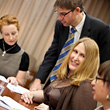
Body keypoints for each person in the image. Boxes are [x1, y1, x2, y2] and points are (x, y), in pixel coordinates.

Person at [30, 0, 110, 91]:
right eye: (58, 13)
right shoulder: (60, 25)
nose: (59, 18)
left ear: (77, 10)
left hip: (79, 88)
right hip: (55, 82)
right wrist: (38, 80)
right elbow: (52, 53)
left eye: (63, 14)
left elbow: (104, 64)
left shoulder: (101, 29)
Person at [21, 37, 99, 110]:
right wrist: (31, 94)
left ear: (89, 62)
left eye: (82, 55)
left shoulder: (86, 87)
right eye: (75, 51)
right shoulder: (65, 76)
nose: (75, 58)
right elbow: (47, 95)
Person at [0, 14, 29, 86]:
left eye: (13, 33)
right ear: (2, 34)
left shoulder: (23, 56)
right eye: (6, 34)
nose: (11, 38)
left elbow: (21, 81)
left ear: (18, 31)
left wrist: (15, 79)